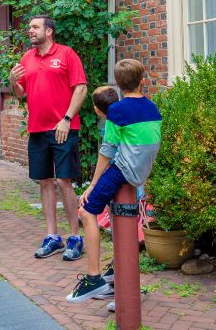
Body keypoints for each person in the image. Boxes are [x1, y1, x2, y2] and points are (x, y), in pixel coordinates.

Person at [67, 61, 161, 302]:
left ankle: (93, 278)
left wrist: (93, 183)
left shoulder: (117, 111)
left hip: (123, 170)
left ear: (118, 84)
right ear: (142, 80)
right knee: (119, 217)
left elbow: (107, 151)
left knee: (86, 211)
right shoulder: (153, 108)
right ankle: (116, 272)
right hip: (141, 172)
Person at [9, 15, 88, 261]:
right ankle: (53, 236)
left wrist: (66, 119)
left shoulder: (66, 54)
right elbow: (20, 93)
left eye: (35, 27)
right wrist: (13, 81)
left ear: (49, 31)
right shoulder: (26, 58)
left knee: (64, 181)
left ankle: (75, 237)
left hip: (63, 128)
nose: (30, 31)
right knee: (45, 182)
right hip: (37, 130)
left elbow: (81, 88)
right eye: (30, 27)